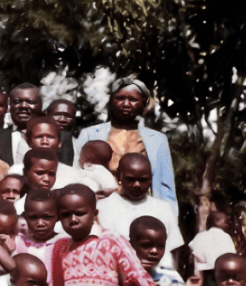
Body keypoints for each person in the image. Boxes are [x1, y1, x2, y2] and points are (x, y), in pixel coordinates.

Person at [75, 76, 177, 210]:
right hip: (100, 208)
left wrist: (168, 220)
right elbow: (76, 174)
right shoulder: (90, 134)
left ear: (144, 104)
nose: (126, 104)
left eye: (133, 100)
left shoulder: (158, 140)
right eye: (120, 98)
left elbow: (166, 187)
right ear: (111, 101)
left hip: (142, 209)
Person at [97, 153, 183, 265]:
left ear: (151, 178)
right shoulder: (102, 208)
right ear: (118, 176)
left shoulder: (163, 208)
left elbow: (173, 251)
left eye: (143, 180)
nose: (137, 185)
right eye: (130, 179)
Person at [14, 189, 62, 278]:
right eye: (33, 217)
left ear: (58, 217)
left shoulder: (63, 244)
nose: (40, 223)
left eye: (47, 217)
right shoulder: (18, 242)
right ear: (25, 217)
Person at [189, 211, 236, 286]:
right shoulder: (226, 237)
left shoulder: (200, 236)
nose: (228, 225)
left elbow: (193, 248)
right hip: (222, 273)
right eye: (226, 222)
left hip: (205, 273)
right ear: (216, 221)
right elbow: (231, 256)